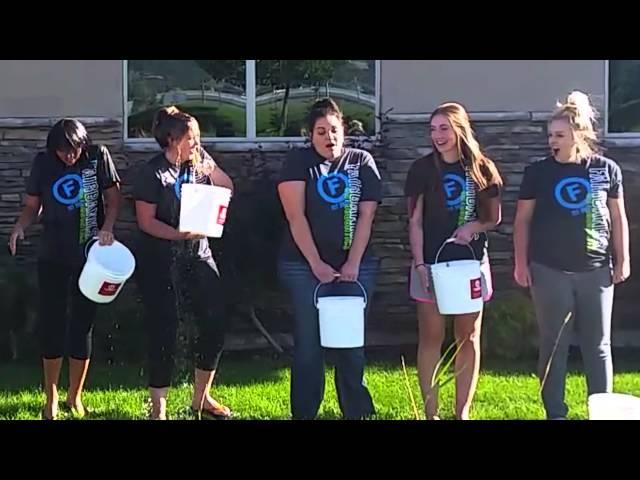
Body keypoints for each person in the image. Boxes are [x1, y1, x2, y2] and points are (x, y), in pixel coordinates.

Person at [513, 91, 631, 420]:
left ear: (579, 135)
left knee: (599, 346)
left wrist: (624, 259)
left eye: (560, 135)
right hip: (549, 270)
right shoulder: (537, 172)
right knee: (553, 345)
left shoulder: (605, 169)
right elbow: (522, 220)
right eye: (550, 135)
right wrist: (521, 263)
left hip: (596, 271)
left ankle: (602, 412)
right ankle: (555, 413)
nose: (553, 141)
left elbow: (618, 218)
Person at [8, 118, 121, 420]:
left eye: (73, 150)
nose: (69, 156)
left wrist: (107, 228)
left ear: (83, 145)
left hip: (90, 256)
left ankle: (75, 396)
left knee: (82, 325)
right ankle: (51, 396)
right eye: (63, 151)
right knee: (52, 324)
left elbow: (112, 199)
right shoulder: (43, 163)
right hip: (53, 255)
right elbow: (33, 206)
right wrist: (20, 227)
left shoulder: (98, 157)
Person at [277, 98, 382, 420]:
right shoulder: (298, 163)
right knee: (309, 346)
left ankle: (357, 412)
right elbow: (296, 218)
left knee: (351, 345)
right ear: (310, 135)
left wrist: (352, 263)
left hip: (357, 266)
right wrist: (317, 265)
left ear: (343, 131)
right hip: (303, 267)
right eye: (321, 131)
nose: (329, 137)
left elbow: (366, 217)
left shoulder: (361, 161)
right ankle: (305, 413)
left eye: (334, 130)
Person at [133, 106, 234, 420]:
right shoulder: (153, 173)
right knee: (164, 329)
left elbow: (227, 188)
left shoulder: (200, 163)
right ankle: (158, 408)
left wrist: (211, 168)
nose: (197, 143)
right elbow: (146, 222)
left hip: (199, 254)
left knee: (214, 321)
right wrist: (178, 235)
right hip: (160, 260)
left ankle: (201, 398)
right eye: (192, 138)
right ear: (173, 139)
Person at [404, 102, 503, 420]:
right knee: (431, 336)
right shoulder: (421, 169)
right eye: (433, 129)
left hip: (470, 265)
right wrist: (420, 266)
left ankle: (461, 413)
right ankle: (430, 413)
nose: (438, 136)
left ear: (460, 129)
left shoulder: (482, 168)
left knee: (468, 336)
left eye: (444, 128)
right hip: (430, 263)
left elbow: (493, 217)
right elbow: (415, 221)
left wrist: (473, 226)